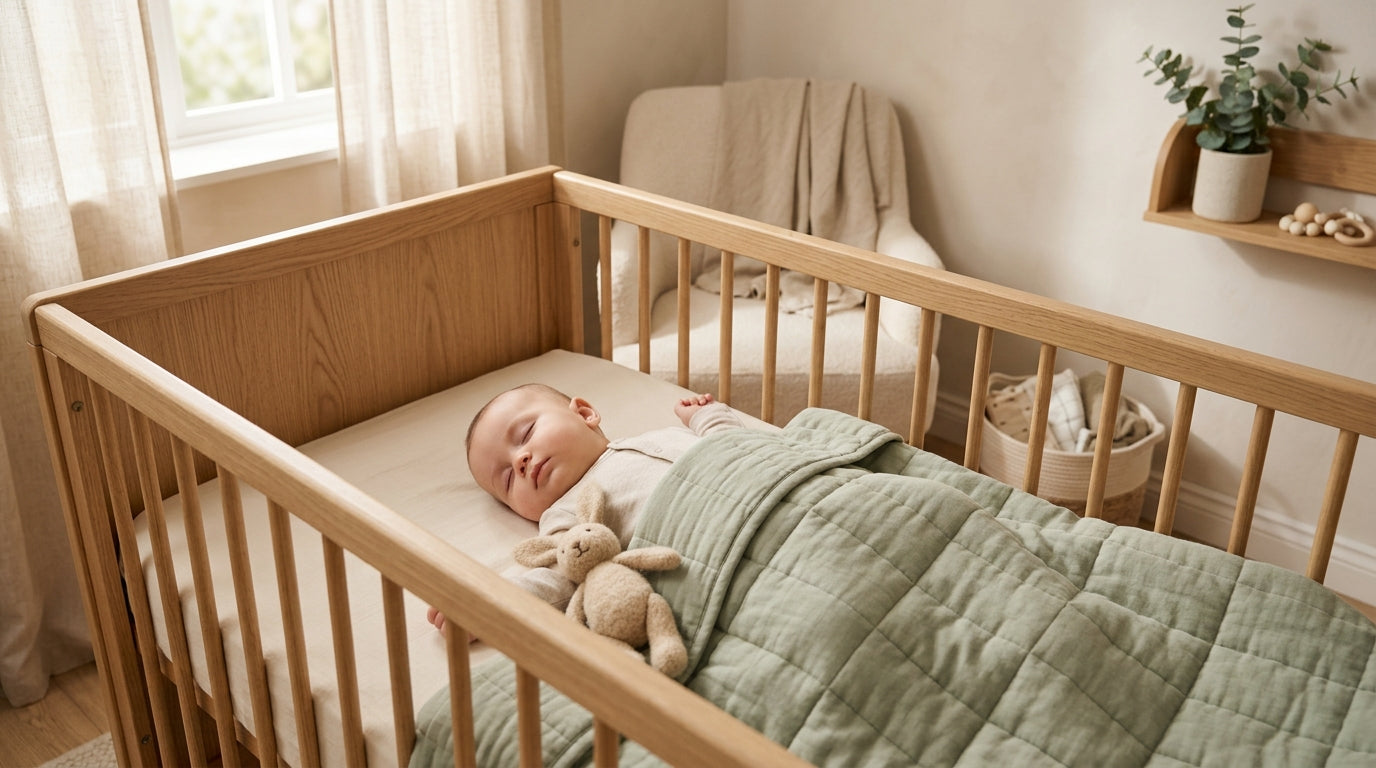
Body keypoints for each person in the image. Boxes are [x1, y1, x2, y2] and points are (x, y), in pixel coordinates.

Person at [426, 383, 742, 633]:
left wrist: (707, 416)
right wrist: (485, 602)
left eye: (526, 433)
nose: (519, 460)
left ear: (584, 413)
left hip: (761, 485)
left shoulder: (662, 435)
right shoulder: (567, 514)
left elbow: (737, 449)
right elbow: (559, 577)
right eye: (507, 479)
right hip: (726, 543)